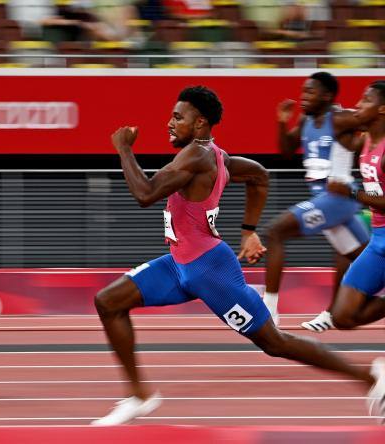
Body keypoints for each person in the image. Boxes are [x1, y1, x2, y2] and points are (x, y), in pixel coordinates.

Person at [91, 85, 385, 425]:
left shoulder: (197, 156)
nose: (169, 124)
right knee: (109, 301)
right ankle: (139, 396)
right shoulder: (217, 155)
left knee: (275, 343)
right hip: (179, 264)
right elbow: (259, 176)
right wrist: (248, 230)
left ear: (200, 122)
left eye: (177, 117)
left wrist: (124, 150)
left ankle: (369, 377)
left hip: (209, 271)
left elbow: (145, 194)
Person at [264, 72, 369, 332]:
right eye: (303, 92)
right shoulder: (305, 120)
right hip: (323, 199)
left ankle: (268, 311)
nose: (303, 98)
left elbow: (372, 116)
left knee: (274, 231)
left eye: (309, 93)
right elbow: (286, 151)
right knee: (358, 255)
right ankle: (333, 313)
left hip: (337, 197)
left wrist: (364, 139)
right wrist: (281, 122)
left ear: (327, 96)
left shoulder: (340, 118)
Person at [321, 81, 385, 332]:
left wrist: (351, 192)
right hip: (378, 241)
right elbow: (340, 131)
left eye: (366, 100)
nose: (359, 104)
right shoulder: (366, 140)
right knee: (342, 317)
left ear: (382, 109)